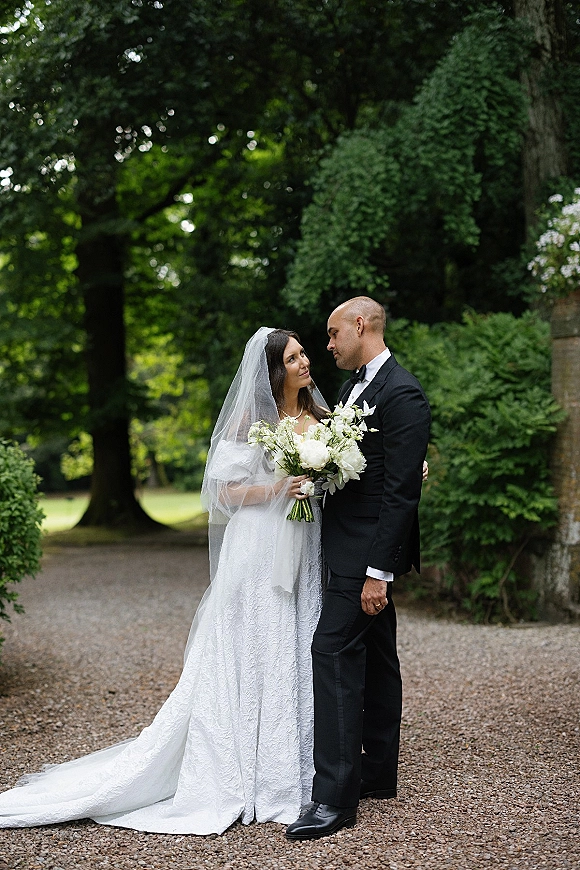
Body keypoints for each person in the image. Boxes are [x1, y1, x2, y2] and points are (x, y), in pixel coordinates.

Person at [0, 327, 328, 835]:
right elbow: (221, 493)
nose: (305, 362)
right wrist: (278, 488)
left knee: (296, 643)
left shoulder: (320, 419)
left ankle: (293, 769)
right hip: (259, 546)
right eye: (294, 357)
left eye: (304, 353)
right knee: (254, 644)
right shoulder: (249, 421)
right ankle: (248, 771)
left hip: (303, 545)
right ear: (273, 371)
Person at [286, 297, 431, 841]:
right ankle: (377, 773)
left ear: (360, 326)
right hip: (345, 545)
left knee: (332, 653)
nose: (328, 345)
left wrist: (379, 572)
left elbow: (400, 494)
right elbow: (367, 469)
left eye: (332, 334)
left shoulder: (402, 391)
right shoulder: (353, 388)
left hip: (365, 556)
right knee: (377, 657)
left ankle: (334, 799)